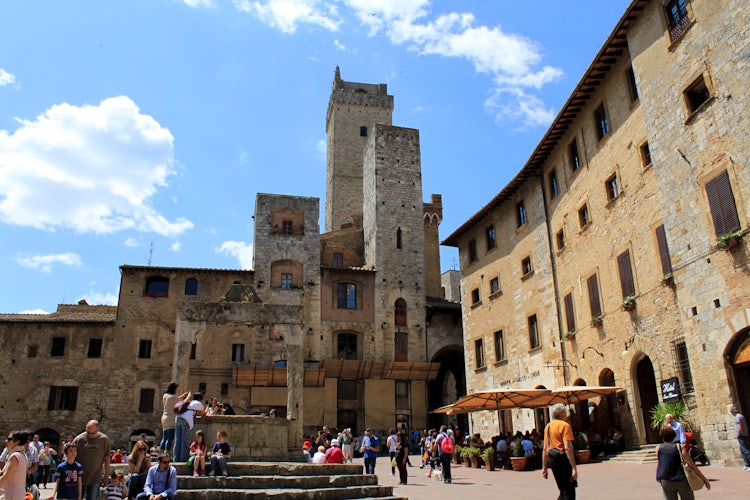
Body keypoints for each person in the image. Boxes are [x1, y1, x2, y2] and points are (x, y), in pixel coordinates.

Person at [656, 426, 709, 499]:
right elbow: (690, 463)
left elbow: (661, 463)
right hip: (681, 478)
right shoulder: (680, 447)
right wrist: (704, 479)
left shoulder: (658, 448)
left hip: (665, 478)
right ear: (674, 436)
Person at [542, 404, 577, 500]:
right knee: (569, 491)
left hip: (552, 459)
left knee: (563, 490)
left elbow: (545, 448)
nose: (566, 415)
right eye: (565, 412)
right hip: (563, 459)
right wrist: (574, 468)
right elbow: (568, 447)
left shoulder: (548, 427)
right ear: (562, 413)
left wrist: (544, 467)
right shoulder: (565, 425)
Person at [73, 420, 111, 500]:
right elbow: (71, 456)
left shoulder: (104, 440)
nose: (89, 435)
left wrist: (106, 476)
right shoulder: (79, 439)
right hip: (80, 476)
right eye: (88, 432)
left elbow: (107, 458)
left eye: (92, 433)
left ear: (98, 430)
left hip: (95, 477)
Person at [173, 392, 204, 462]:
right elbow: (204, 413)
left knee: (177, 440)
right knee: (185, 440)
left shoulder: (190, 403)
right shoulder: (197, 403)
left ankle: (176, 459)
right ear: (200, 399)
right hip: (185, 420)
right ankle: (183, 459)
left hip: (178, 418)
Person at [0, 430, 29, 500]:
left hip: (13, 491)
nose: (6, 441)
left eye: (9, 439)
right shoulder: (22, 454)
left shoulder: (15, 456)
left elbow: (6, 477)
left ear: (17, 441)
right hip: (18, 491)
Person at [159, 383, 180, 454]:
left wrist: (181, 396)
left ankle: (161, 452)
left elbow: (175, 399)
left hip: (164, 417)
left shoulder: (165, 396)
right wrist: (188, 397)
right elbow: (182, 402)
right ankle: (167, 453)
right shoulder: (173, 397)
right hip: (171, 418)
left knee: (164, 437)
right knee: (169, 438)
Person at [728, 405, 750, 470]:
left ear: (733, 412)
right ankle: (747, 464)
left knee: (745, 450)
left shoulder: (737, 417)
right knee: (742, 450)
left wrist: (738, 434)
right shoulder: (741, 416)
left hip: (741, 435)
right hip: (743, 435)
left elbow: (739, 426)